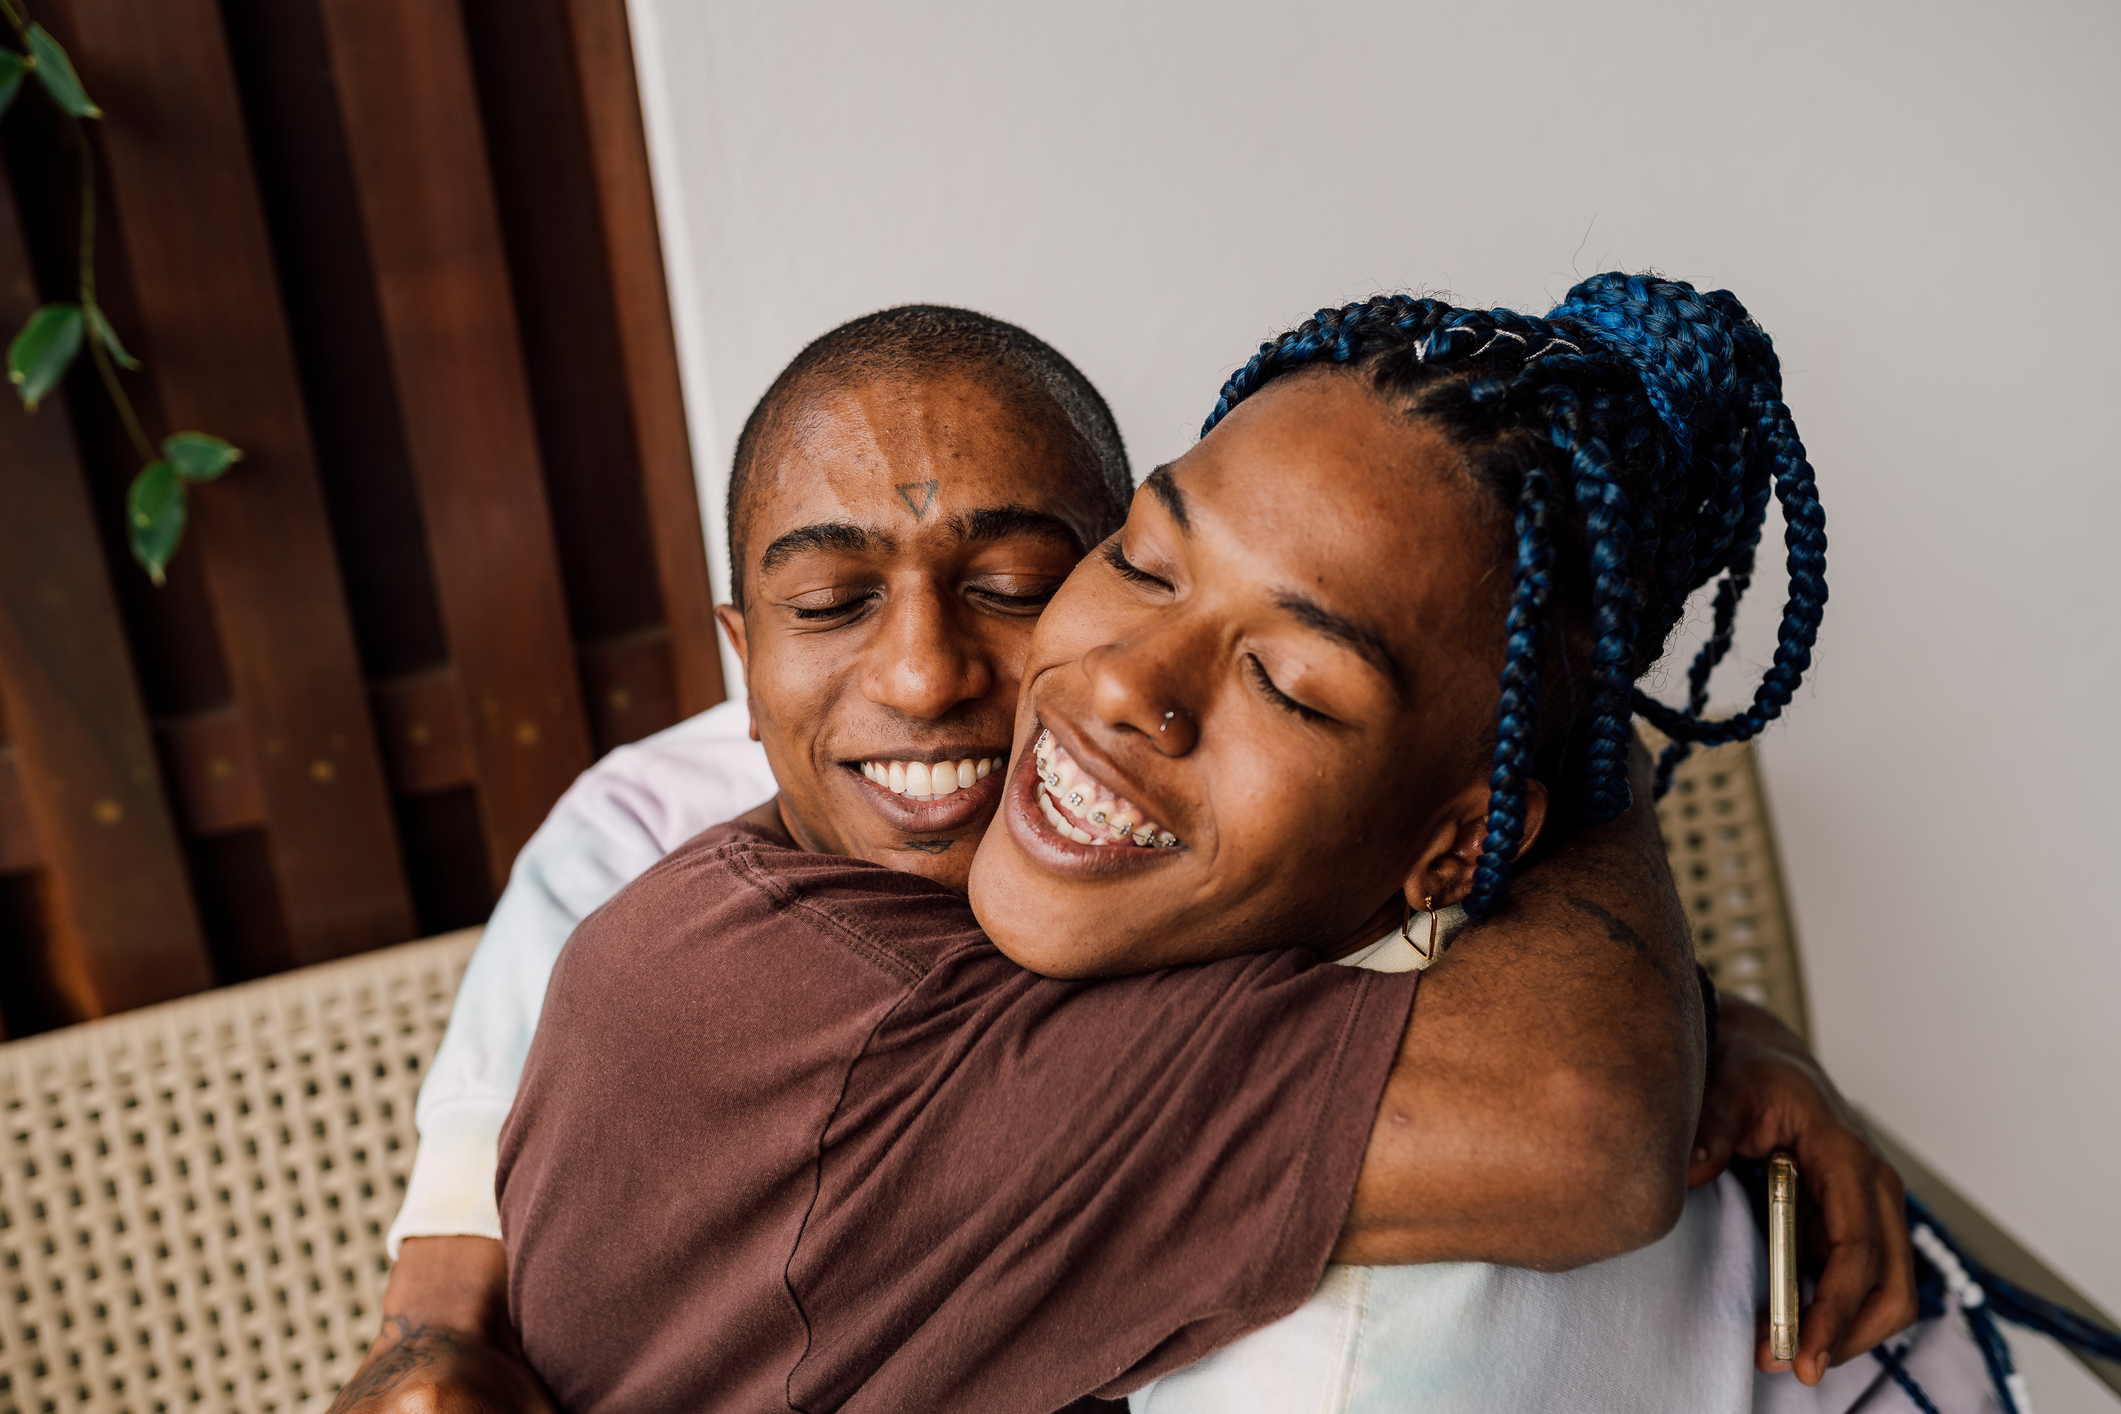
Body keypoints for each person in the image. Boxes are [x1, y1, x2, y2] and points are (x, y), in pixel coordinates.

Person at [489, 282, 1914, 1414]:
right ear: (739, 654)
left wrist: (1724, 1022)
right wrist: (1578, 748)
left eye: (1014, 583)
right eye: (1150, 567)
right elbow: (1577, 1116)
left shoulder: (1024, 947)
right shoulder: (859, 1021)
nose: (1123, 681)